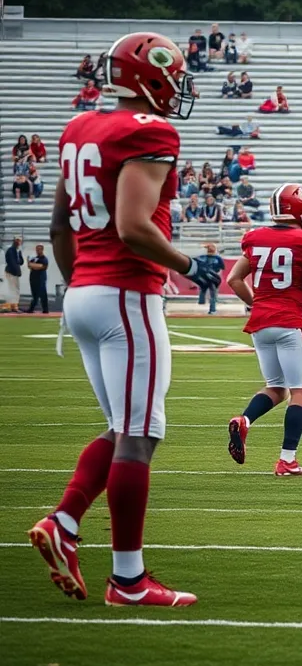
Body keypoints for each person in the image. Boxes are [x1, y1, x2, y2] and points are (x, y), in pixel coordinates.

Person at [29, 31, 221, 608]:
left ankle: (64, 523)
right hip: (125, 295)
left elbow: (60, 225)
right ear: (150, 76)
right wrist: (190, 264)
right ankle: (129, 580)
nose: (180, 88)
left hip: (85, 292)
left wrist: (77, 283)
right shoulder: (150, 131)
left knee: (121, 428)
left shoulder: (79, 126)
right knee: (140, 436)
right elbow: (136, 226)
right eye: (175, 75)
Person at [225, 184, 302, 476]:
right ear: (301, 208)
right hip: (289, 323)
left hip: (260, 325)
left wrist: (257, 303)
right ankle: (287, 460)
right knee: (300, 391)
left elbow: (234, 280)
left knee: (276, 387)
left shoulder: (256, 238)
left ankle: (245, 421)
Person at [195, 242, 225, 315]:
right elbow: (222, 268)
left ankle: (201, 300)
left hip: (203, 276)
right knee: (213, 294)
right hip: (213, 277)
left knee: (203, 288)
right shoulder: (218, 258)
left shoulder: (202, 257)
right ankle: (212, 309)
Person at [25, 243, 49, 313]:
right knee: (34, 295)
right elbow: (29, 265)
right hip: (33, 279)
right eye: (37, 249)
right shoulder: (35, 258)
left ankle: (45, 309)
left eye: (39, 249)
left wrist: (33, 265)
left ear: (42, 249)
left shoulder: (44, 259)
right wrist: (32, 264)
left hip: (41, 279)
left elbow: (41, 266)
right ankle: (31, 309)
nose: (37, 250)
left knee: (42, 294)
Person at [4, 236, 23, 312]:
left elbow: (21, 262)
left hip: (15, 272)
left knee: (15, 289)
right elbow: (12, 263)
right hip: (11, 272)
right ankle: (13, 306)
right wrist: (17, 272)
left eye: (19, 240)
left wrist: (19, 255)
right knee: (13, 289)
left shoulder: (18, 251)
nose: (18, 242)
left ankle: (14, 305)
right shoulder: (11, 250)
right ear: (14, 241)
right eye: (17, 240)